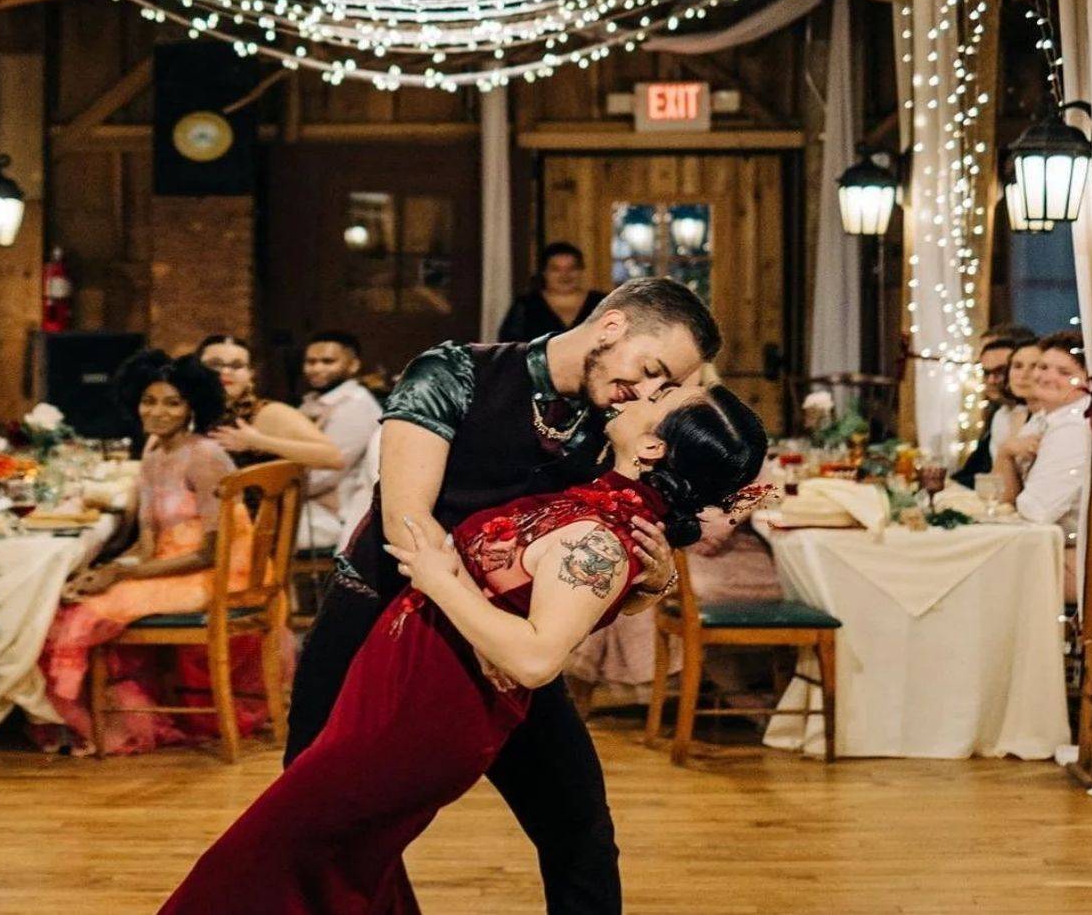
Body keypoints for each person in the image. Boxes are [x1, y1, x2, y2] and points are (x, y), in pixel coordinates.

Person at [160, 385, 767, 914]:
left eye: (659, 398)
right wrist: (649, 585)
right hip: (393, 697)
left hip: (421, 720)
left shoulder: (600, 539)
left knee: (262, 861)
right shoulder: (602, 505)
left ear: (653, 447)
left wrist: (439, 579)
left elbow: (537, 659)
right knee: (335, 868)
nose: (642, 393)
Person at [288, 276, 722, 915]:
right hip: (378, 617)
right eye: (652, 370)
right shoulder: (456, 372)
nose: (647, 392)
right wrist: (491, 632)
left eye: (665, 387)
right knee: (316, 821)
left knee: (579, 828)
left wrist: (653, 582)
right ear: (612, 327)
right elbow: (408, 524)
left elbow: (588, 581)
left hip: (502, 648)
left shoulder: (617, 425)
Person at [37, 350, 273, 754]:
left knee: (83, 616)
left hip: (220, 574)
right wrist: (108, 570)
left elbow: (211, 554)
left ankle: (112, 728)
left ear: (192, 407)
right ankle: (117, 719)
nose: (158, 412)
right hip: (172, 566)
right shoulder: (153, 455)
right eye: (149, 401)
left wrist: (121, 575)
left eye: (172, 403)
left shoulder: (205, 456)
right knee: (67, 599)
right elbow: (148, 543)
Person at [993, 330, 1092, 598]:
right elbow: (1001, 497)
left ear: (1088, 381)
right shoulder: (1043, 419)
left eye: (1064, 372)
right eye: (1043, 366)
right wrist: (1005, 452)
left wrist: (1006, 507)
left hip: (1080, 560)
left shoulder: (1076, 426)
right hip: (1045, 546)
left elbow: (1036, 511)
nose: (1046, 376)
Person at [196, 334, 344, 471]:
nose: (226, 371)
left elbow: (333, 457)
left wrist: (258, 442)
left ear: (250, 374)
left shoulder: (267, 412)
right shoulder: (189, 411)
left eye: (237, 365)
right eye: (214, 364)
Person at [298, 330, 383, 548]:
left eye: (328, 361)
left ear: (353, 365)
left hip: (335, 517)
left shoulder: (356, 405)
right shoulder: (315, 401)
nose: (317, 368)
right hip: (309, 506)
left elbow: (324, 474)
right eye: (311, 362)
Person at [498, 241, 608, 345]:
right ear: (544, 272)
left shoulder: (603, 303)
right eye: (556, 269)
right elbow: (510, 348)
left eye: (572, 268)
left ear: (581, 270)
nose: (565, 275)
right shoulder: (525, 306)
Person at [952, 335, 1020, 488]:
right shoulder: (1000, 414)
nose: (991, 380)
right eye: (986, 373)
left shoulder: (1034, 416)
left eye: (1000, 371)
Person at [989, 339, 1042, 456]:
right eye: (1017, 366)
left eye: (1034, 366)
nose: (1023, 375)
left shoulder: (1054, 419)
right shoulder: (1004, 415)